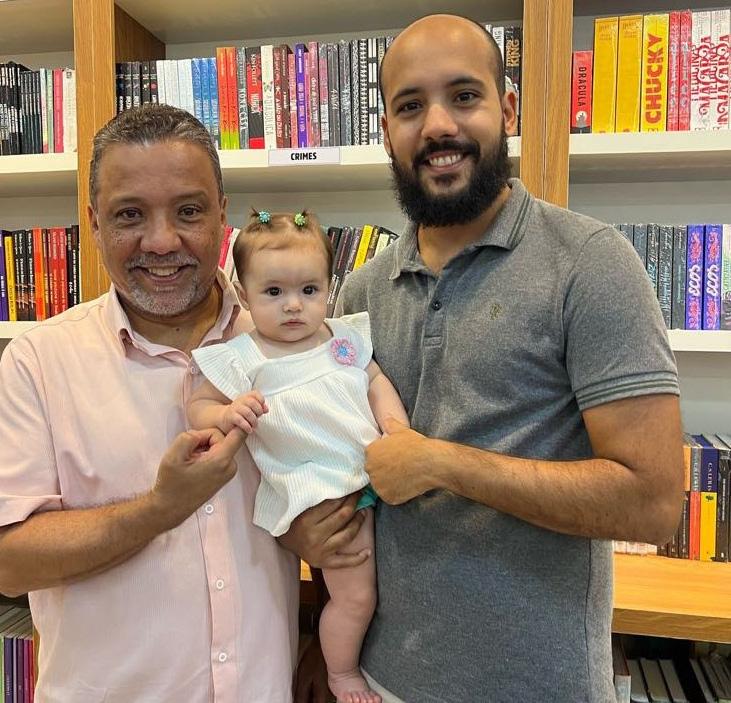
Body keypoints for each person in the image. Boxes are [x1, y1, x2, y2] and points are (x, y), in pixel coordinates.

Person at [280, 14, 685, 703]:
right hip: (378, 680)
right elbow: (338, 471)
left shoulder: (590, 264)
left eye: (463, 96)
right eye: (410, 106)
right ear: (386, 131)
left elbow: (650, 503)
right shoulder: (359, 292)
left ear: (508, 110)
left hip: (539, 687)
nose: (437, 125)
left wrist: (442, 464)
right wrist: (318, 585)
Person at [0, 104, 320, 702]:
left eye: (189, 211)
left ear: (223, 214)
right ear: (94, 223)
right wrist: (159, 509)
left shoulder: (295, 348)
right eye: (130, 215)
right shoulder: (35, 363)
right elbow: (10, 563)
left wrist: (325, 640)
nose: (162, 241)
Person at [187, 209, 408, 703]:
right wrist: (226, 414)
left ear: (329, 286)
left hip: (379, 471)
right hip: (320, 493)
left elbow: (375, 382)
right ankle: (343, 673)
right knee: (357, 596)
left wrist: (396, 428)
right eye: (273, 292)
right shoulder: (244, 356)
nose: (293, 306)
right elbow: (198, 405)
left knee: (395, 586)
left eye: (309, 290)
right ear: (244, 294)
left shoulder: (343, 338)